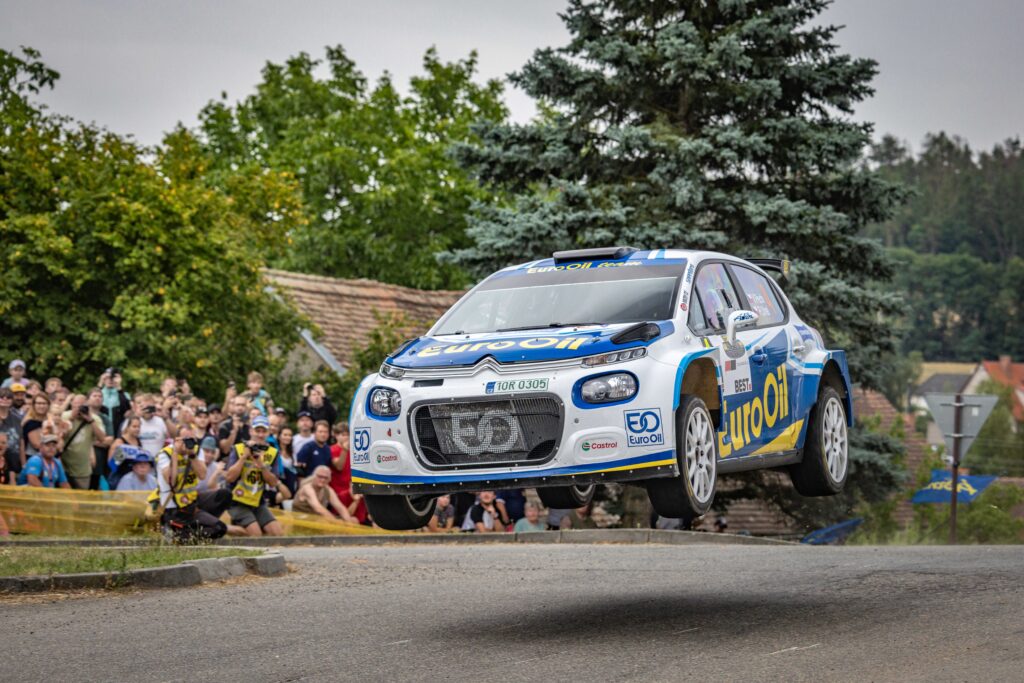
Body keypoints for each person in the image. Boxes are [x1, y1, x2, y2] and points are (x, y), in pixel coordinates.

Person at [152, 427, 230, 542]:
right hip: (173, 508)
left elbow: (202, 475)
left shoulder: (196, 450)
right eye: (185, 439)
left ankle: (195, 526)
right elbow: (171, 481)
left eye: (192, 439)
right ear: (176, 440)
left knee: (224, 495)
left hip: (192, 502)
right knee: (219, 528)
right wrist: (175, 454)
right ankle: (178, 535)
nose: (189, 442)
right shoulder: (165, 454)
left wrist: (192, 456)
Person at [224, 416, 284, 537]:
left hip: (257, 501)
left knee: (277, 534)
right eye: (257, 431)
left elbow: (273, 483)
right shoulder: (239, 448)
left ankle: (237, 529)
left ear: (268, 432)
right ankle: (224, 529)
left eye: (264, 431)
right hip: (236, 500)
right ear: (251, 431)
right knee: (256, 536)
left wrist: (261, 465)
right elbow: (229, 478)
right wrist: (244, 457)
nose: (260, 435)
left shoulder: (272, 453)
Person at [60, 394, 107, 489]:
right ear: (72, 404)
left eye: (82, 405)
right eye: (76, 404)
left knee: (81, 494)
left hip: (82, 468)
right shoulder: (64, 416)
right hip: (62, 464)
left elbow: (102, 438)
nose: (79, 408)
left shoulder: (95, 419)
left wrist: (91, 421)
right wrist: (71, 418)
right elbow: (58, 436)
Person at [329, 421, 367, 522]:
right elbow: (339, 467)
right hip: (339, 493)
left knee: (359, 520)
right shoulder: (332, 449)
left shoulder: (356, 450)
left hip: (354, 490)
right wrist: (345, 449)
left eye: (348, 435)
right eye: (343, 435)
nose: (347, 437)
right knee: (343, 519)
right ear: (336, 436)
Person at [98, 368, 132, 439]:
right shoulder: (99, 392)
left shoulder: (124, 394)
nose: (110, 380)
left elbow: (127, 409)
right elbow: (91, 404)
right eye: (107, 377)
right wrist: (100, 384)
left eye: (113, 377)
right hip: (101, 430)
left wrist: (119, 387)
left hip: (119, 431)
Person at [20, 391, 52, 463]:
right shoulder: (30, 422)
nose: (42, 406)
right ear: (34, 405)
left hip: (48, 459)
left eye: (44, 403)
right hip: (34, 459)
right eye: (39, 403)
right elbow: (36, 445)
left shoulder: (50, 420)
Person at [0, 387, 22, 475]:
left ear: (12, 400)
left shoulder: (18, 419)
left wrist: (24, 464)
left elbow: (21, 442)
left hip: (14, 461)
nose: (5, 399)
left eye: (8, 397)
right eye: (1, 397)